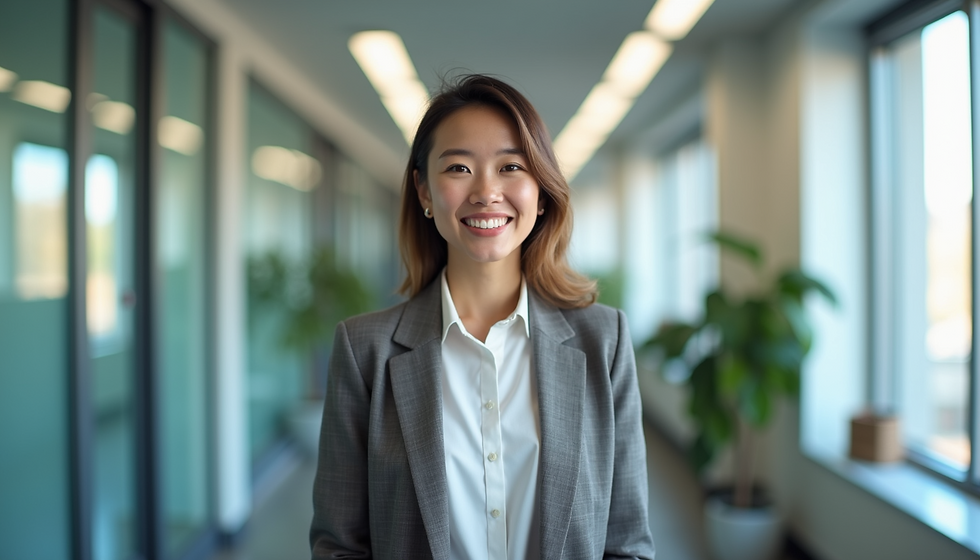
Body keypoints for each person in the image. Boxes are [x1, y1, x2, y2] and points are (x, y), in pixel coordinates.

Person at [310, 74, 656, 560]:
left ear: (541, 189)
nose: (487, 192)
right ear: (424, 190)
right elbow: (339, 545)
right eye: (458, 168)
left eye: (511, 166)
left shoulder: (604, 340)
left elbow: (627, 542)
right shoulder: (364, 350)